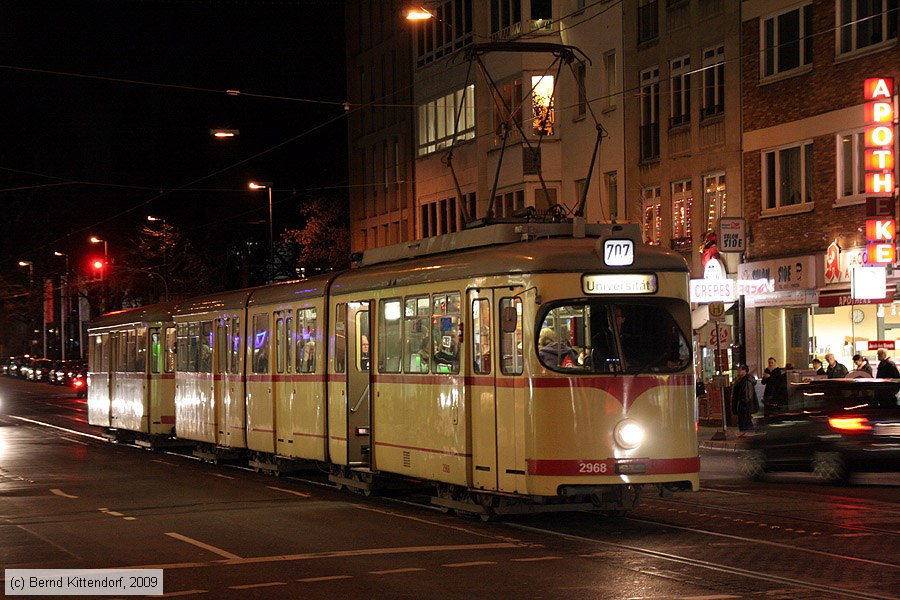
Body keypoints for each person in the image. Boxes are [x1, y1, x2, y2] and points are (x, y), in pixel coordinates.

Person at [730, 364, 759, 435]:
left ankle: (748, 433)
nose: (738, 371)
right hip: (743, 404)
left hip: (744, 405)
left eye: (740, 370)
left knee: (745, 420)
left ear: (744, 371)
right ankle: (746, 433)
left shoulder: (746, 381)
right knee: (745, 420)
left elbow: (747, 394)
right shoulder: (742, 380)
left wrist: (744, 404)